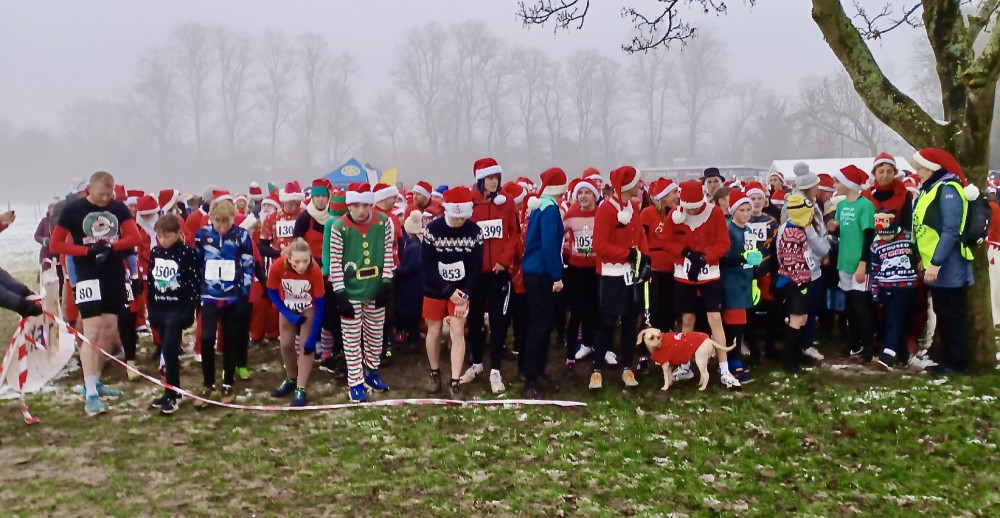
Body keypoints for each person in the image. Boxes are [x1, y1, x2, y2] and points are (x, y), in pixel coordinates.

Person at [50, 171, 142, 415]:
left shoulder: (118, 208)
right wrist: (86, 251)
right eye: (101, 194)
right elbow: (55, 244)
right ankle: (89, 391)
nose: (105, 199)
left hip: (113, 275)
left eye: (108, 194)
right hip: (87, 276)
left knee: (109, 328)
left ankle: (96, 380)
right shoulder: (73, 210)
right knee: (91, 331)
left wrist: (113, 246)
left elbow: (135, 237)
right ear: (90, 189)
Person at [661, 180, 740, 389]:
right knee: (687, 319)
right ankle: (686, 365)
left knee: (715, 318)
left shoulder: (714, 214)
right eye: (689, 207)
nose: (693, 210)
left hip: (710, 273)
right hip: (683, 274)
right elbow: (666, 241)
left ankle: (724, 369)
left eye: (696, 206)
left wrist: (706, 257)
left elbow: (723, 242)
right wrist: (685, 252)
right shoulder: (674, 216)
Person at [911, 148, 978, 376]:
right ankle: (950, 360)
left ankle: (959, 364)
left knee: (952, 315)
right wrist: (924, 259)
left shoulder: (949, 189)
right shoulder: (930, 189)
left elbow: (950, 231)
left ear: (932, 167)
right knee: (944, 313)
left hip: (950, 266)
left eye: (920, 167)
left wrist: (936, 263)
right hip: (935, 266)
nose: (917, 172)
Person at [328, 183, 395, 402]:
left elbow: (388, 254)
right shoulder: (339, 227)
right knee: (351, 338)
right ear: (349, 205)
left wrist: (387, 282)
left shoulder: (384, 222)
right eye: (356, 205)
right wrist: (339, 292)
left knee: (376, 336)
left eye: (365, 205)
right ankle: (355, 380)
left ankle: (371, 372)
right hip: (351, 291)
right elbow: (335, 262)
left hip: (376, 289)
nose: (361, 210)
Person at [458, 158, 521, 388]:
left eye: (497, 178)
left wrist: (504, 260)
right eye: (490, 178)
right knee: (474, 320)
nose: (494, 182)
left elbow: (514, 233)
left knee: (498, 320)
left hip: (499, 272)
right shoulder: (468, 203)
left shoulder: (508, 203)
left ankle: (495, 370)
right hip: (474, 274)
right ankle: (476, 363)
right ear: (481, 179)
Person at [589, 166, 650, 390]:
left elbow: (641, 235)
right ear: (625, 185)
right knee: (606, 323)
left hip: (631, 275)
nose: (640, 185)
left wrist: (645, 258)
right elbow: (599, 245)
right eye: (636, 182)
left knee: (629, 324)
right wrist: (627, 254)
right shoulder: (606, 209)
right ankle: (596, 370)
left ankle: (627, 367)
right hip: (611, 275)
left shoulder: (633, 206)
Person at [421, 186, 484, 399]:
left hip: (462, 289)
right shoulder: (433, 230)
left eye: (463, 218)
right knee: (434, 329)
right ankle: (434, 372)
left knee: (457, 330)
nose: (459, 222)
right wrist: (447, 290)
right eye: (456, 218)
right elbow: (427, 264)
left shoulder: (475, 232)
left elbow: (477, 267)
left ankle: (455, 380)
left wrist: (465, 293)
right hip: (435, 288)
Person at [193, 198, 255, 407]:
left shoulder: (241, 236)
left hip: (233, 298)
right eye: (217, 223)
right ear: (211, 219)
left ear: (233, 219)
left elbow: (248, 266)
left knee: (231, 341)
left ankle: (228, 382)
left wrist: (244, 295)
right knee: (207, 338)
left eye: (226, 223)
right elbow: (197, 264)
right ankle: (208, 382)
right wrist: (198, 291)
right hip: (209, 296)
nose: (221, 227)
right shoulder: (202, 236)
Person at [521, 168, 568, 399]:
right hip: (541, 274)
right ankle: (531, 376)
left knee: (542, 325)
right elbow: (550, 246)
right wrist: (556, 275)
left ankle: (537, 371)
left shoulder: (541, 206)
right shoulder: (550, 210)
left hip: (535, 272)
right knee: (540, 327)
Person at [146, 215, 200, 415]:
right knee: (165, 350)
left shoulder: (187, 254)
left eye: (167, 236)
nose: (163, 240)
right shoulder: (156, 252)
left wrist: (189, 310)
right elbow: (151, 283)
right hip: (160, 307)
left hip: (177, 309)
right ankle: (169, 391)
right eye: (159, 236)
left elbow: (194, 283)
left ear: (178, 234)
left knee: (169, 349)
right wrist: (151, 309)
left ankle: (174, 392)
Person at [268, 239, 325, 406]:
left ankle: (301, 387)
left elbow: (320, 303)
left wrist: (314, 336)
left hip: (309, 307)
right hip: (288, 306)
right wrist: (288, 315)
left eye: (305, 261)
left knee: (306, 347)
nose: (301, 266)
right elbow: (271, 292)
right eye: (297, 262)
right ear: (289, 258)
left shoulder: (314, 270)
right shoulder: (278, 266)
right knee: (286, 344)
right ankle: (291, 377)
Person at [832, 165, 876, 362]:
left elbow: (868, 236)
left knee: (861, 306)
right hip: (844, 261)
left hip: (860, 264)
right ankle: (854, 343)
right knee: (850, 305)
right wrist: (834, 228)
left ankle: (868, 345)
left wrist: (863, 263)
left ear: (849, 184)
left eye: (838, 181)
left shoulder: (865, 206)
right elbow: (844, 232)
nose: (835, 185)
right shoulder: (841, 206)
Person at [869, 210, 919, 371]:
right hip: (885, 288)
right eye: (881, 234)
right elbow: (875, 270)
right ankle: (903, 357)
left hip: (906, 287)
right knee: (894, 321)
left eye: (887, 234)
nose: (884, 238)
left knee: (894, 318)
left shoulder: (908, 239)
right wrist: (875, 291)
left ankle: (887, 356)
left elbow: (919, 257)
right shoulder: (876, 245)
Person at [720, 190, 760, 383]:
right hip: (732, 284)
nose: (746, 214)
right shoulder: (729, 231)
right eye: (742, 210)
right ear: (733, 211)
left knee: (742, 324)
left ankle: (735, 358)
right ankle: (731, 362)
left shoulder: (749, 230)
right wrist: (742, 257)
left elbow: (751, 256)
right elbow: (724, 259)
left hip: (745, 283)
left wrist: (754, 273)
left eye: (748, 210)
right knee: (734, 326)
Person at [563, 179, 602, 369]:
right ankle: (570, 355)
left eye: (587, 192)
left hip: (597, 268)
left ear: (595, 195)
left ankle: (596, 347)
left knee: (596, 311)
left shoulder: (601, 213)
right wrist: (565, 253)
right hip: (576, 269)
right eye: (580, 193)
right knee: (577, 312)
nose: (584, 196)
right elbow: (560, 235)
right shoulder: (570, 215)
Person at [776, 194, 816, 372]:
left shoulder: (799, 231)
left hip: (803, 279)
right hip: (793, 282)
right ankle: (788, 359)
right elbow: (789, 261)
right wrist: (800, 283)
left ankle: (797, 353)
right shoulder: (791, 234)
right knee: (795, 319)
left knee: (803, 319)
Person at [742, 180, 780, 362]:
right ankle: (754, 350)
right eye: (752, 198)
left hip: (766, 271)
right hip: (747, 273)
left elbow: (776, 250)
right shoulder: (742, 221)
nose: (756, 202)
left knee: (773, 311)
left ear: (765, 200)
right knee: (748, 312)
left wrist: (775, 273)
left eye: (759, 198)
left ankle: (771, 348)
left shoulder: (772, 222)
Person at [394, 210, 426, 353]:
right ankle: (411, 339)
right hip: (415, 285)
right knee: (411, 315)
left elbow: (411, 267)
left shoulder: (413, 246)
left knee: (410, 316)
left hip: (411, 287)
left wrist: (396, 270)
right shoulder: (418, 242)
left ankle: (413, 342)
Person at [863, 153, 913, 233]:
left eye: (889, 172)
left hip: (896, 243)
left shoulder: (904, 195)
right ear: (874, 173)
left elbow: (907, 226)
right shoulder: (865, 195)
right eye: (881, 171)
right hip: (869, 243)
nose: (885, 175)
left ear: (895, 173)